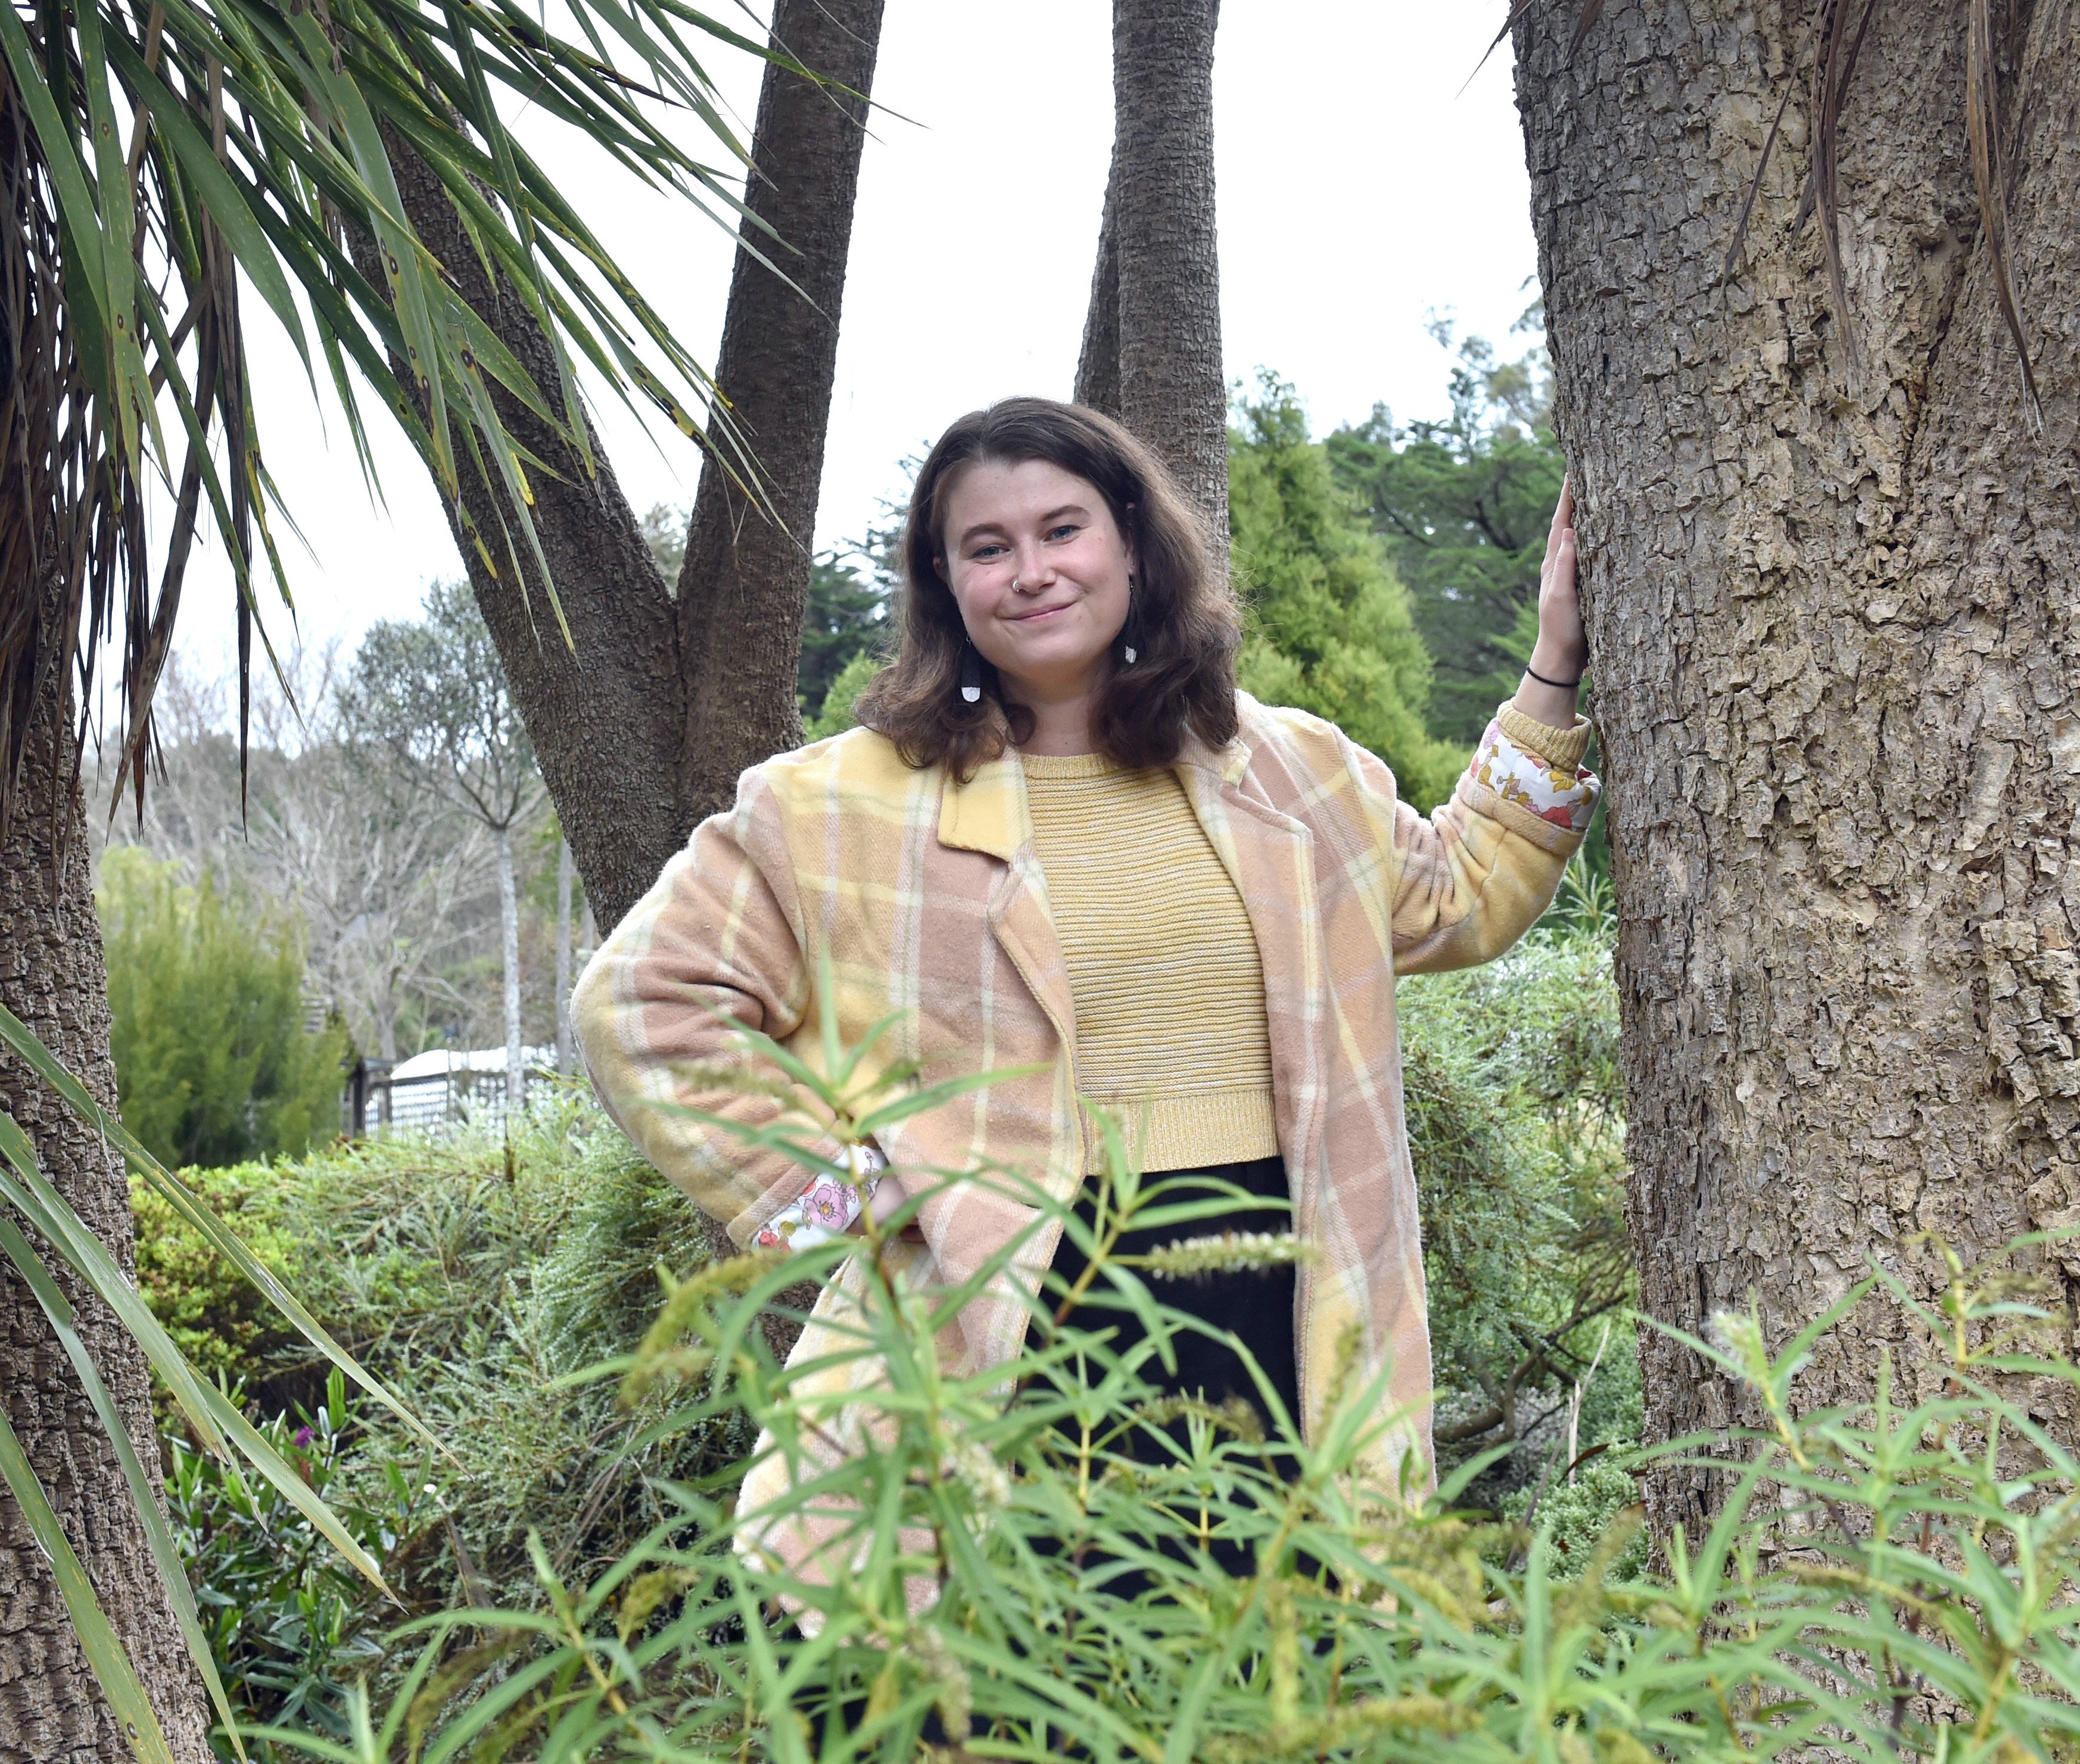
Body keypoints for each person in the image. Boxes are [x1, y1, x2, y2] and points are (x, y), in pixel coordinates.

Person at [572, 397, 1596, 1575]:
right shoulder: (835, 805)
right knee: (1031, 1684)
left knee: (1279, 1665)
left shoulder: (1289, 768)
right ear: (943, 582)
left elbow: (1467, 888)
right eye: (986, 547)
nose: (1031, 571)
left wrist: (1552, 665)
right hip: (1008, 1318)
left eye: (1061, 529)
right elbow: (642, 1004)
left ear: (1128, 539)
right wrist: (839, 1198)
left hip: (1281, 1300)